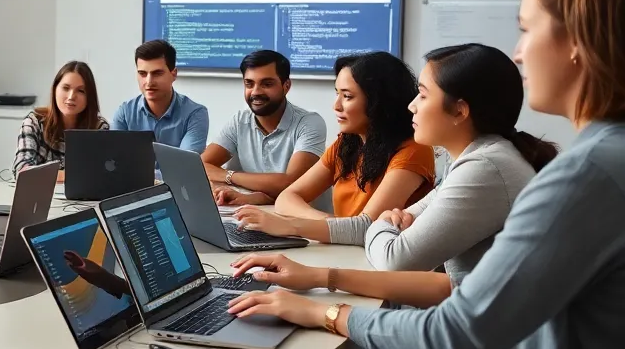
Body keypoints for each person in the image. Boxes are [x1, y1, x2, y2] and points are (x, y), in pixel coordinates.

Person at [204, 0, 625, 349]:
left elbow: (455, 334)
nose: (520, 55)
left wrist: (325, 312)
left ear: (580, 42)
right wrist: (319, 276)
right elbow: (439, 274)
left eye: (527, 30)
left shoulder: (585, 176)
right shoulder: (600, 159)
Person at [348, 43, 556, 278]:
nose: (412, 105)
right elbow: (409, 222)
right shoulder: (478, 157)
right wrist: (388, 224)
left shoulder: (485, 168)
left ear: (459, 111)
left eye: (423, 95)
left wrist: (379, 225)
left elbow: (395, 260)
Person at [233, 51, 435, 244]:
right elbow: (287, 197)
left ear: (379, 102)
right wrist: (333, 223)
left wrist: (292, 225)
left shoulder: (413, 151)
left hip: (381, 264)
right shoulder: (346, 143)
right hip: (343, 250)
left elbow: (367, 227)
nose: (336, 106)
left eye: (347, 96)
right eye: (337, 93)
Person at [201, 50, 328, 206]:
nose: (256, 92)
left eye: (267, 84)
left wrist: (229, 176)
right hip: (251, 216)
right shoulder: (240, 121)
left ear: (286, 86)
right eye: (249, 84)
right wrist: (228, 191)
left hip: (299, 223)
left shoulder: (309, 123)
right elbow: (201, 167)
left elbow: (292, 183)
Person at [13, 61, 109, 179]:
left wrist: (48, 175)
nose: (71, 96)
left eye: (81, 91)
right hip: (40, 195)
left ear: (89, 97)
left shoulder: (99, 127)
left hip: (82, 197)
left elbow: (100, 174)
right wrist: (69, 175)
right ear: (55, 90)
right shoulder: (34, 122)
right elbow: (22, 168)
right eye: (65, 88)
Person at [111, 39, 208, 152]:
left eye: (157, 73)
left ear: (174, 74)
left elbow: (184, 167)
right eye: (142, 74)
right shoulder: (125, 113)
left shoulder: (194, 114)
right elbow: (116, 161)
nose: (149, 82)